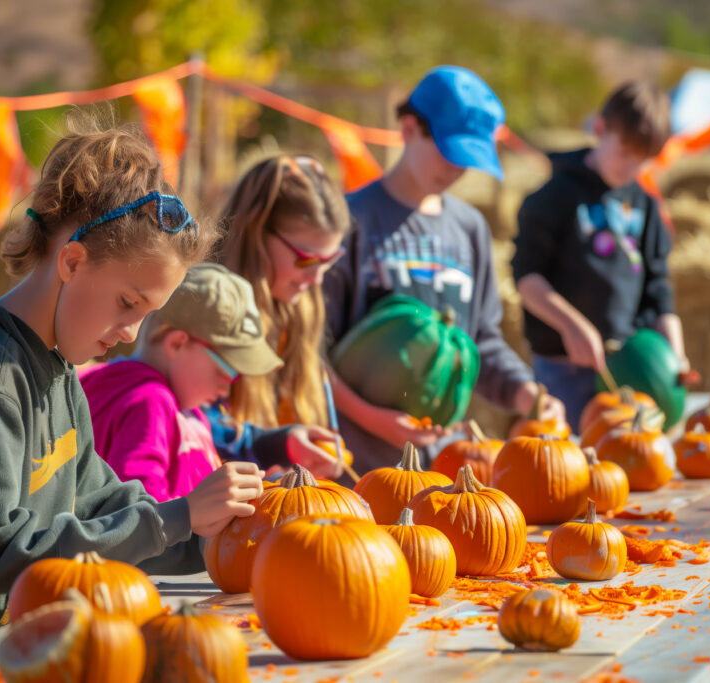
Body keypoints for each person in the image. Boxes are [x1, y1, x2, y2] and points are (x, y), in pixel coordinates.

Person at [0, 122, 263, 655]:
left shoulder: (58, 365)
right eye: (127, 303)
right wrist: (173, 520)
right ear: (72, 261)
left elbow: (100, 503)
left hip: (23, 638)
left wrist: (211, 539)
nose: (132, 334)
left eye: (147, 315)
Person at [322, 65, 565, 474]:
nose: (456, 170)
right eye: (450, 153)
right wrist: (374, 420)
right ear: (410, 127)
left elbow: (481, 341)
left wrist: (526, 392)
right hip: (359, 467)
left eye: (468, 159)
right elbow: (311, 354)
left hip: (447, 469)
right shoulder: (351, 221)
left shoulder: (470, 228)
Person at [81, 263, 342, 502]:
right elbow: (141, 512)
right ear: (178, 343)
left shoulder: (180, 405)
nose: (226, 389)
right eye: (224, 371)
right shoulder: (148, 404)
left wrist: (275, 464)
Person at [512, 80, 691, 425]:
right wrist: (571, 326)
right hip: (563, 365)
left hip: (629, 368)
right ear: (599, 128)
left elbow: (658, 291)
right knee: (567, 458)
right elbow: (527, 278)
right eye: (625, 154)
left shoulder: (646, 206)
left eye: (643, 162)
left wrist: (675, 356)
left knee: (629, 461)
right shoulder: (554, 196)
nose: (631, 169)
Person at [218, 155, 350, 433]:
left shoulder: (300, 309)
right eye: (307, 260)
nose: (317, 279)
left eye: (329, 261)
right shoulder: (210, 317)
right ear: (257, 234)